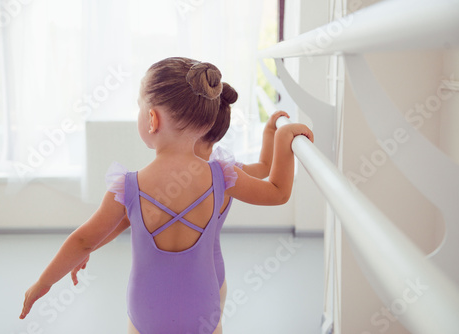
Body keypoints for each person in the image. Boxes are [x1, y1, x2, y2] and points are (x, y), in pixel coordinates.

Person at [19, 57, 313, 334]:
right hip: (203, 307)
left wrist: (42, 283)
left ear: (151, 119)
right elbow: (277, 191)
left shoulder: (128, 186)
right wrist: (284, 139)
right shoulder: (223, 175)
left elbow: (85, 238)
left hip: (146, 311)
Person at [193, 81, 290, 326]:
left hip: (198, 282)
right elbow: (264, 169)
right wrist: (272, 134)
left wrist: (283, 135)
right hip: (214, 277)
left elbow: (277, 191)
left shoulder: (210, 174)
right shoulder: (225, 170)